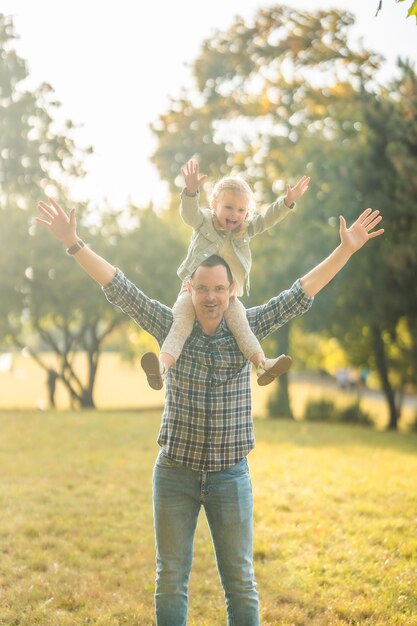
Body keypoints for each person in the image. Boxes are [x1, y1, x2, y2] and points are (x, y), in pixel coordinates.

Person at [35, 197, 383, 626]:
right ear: (190, 289)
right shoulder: (170, 326)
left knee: (239, 580)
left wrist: (345, 250)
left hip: (229, 476)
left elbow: (299, 294)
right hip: (175, 473)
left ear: (231, 290)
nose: (212, 297)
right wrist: (74, 245)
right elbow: (120, 289)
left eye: (220, 289)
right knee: (171, 579)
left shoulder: (246, 329)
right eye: (203, 289)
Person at [141, 160, 311, 390]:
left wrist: (287, 202)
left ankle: (261, 364)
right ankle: (161, 367)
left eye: (241, 210)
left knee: (241, 326)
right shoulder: (204, 222)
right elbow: (189, 214)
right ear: (214, 205)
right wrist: (190, 191)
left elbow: (266, 219)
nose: (235, 214)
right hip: (192, 291)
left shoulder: (245, 230)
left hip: (227, 296)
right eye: (229, 207)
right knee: (181, 324)